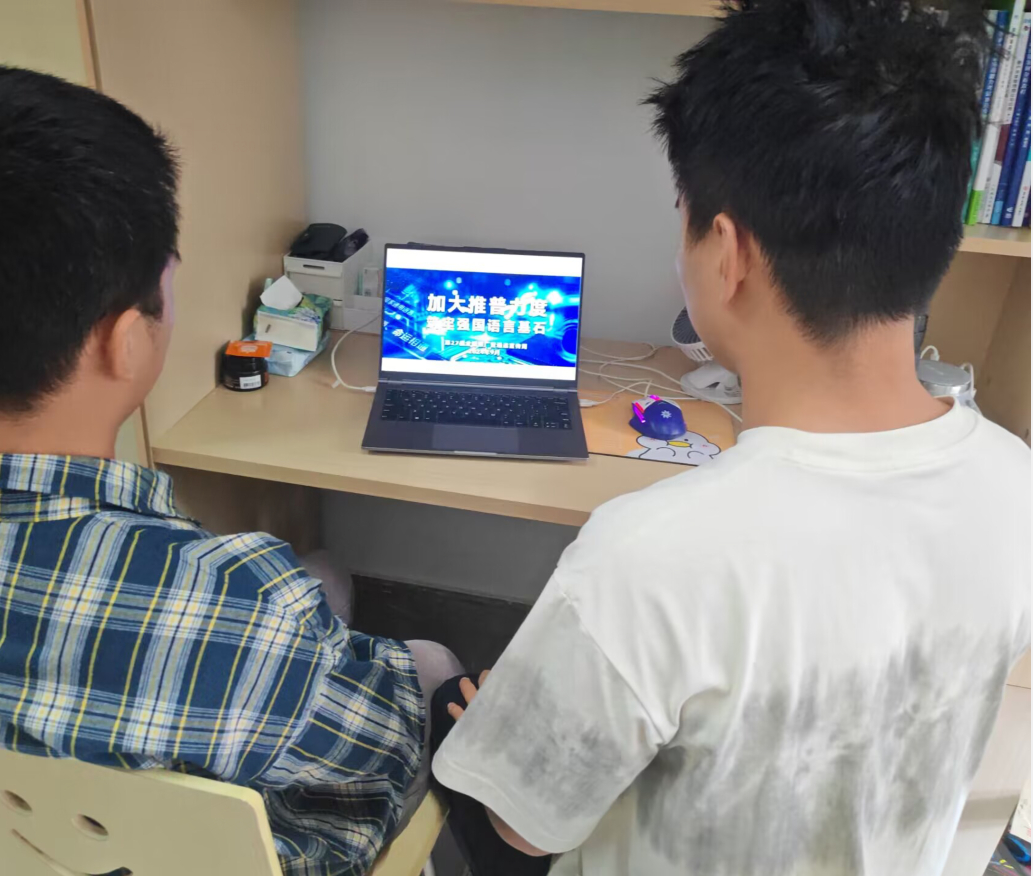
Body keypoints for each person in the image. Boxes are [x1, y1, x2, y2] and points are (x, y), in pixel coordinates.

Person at [430, 2, 1031, 875]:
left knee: (447, 701)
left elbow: (522, 830)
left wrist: (502, 728)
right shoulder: (1015, 483)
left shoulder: (646, 560)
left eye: (682, 215)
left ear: (728, 252)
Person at [0, 65, 460, 876]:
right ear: (123, 340)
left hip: (23, 842)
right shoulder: (242, 607)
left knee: (321, 578)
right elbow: (381, 755)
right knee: (428, 665)